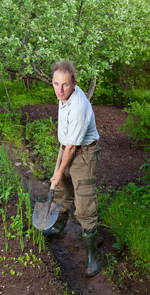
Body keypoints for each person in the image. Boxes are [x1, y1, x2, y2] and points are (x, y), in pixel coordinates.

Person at [43, 59, 102, 277]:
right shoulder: (63, 97)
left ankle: (92, 258)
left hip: (83, 154)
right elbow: (66, 141)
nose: (60, 89)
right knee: (61, 192)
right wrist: (60, 172)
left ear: (74, 84)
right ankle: (58, 228)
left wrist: (58, 171)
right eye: (56, 83)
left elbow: (73, 146)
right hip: (67, 148)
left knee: (84, 203)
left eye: (65, 84)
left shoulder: (79, 106)